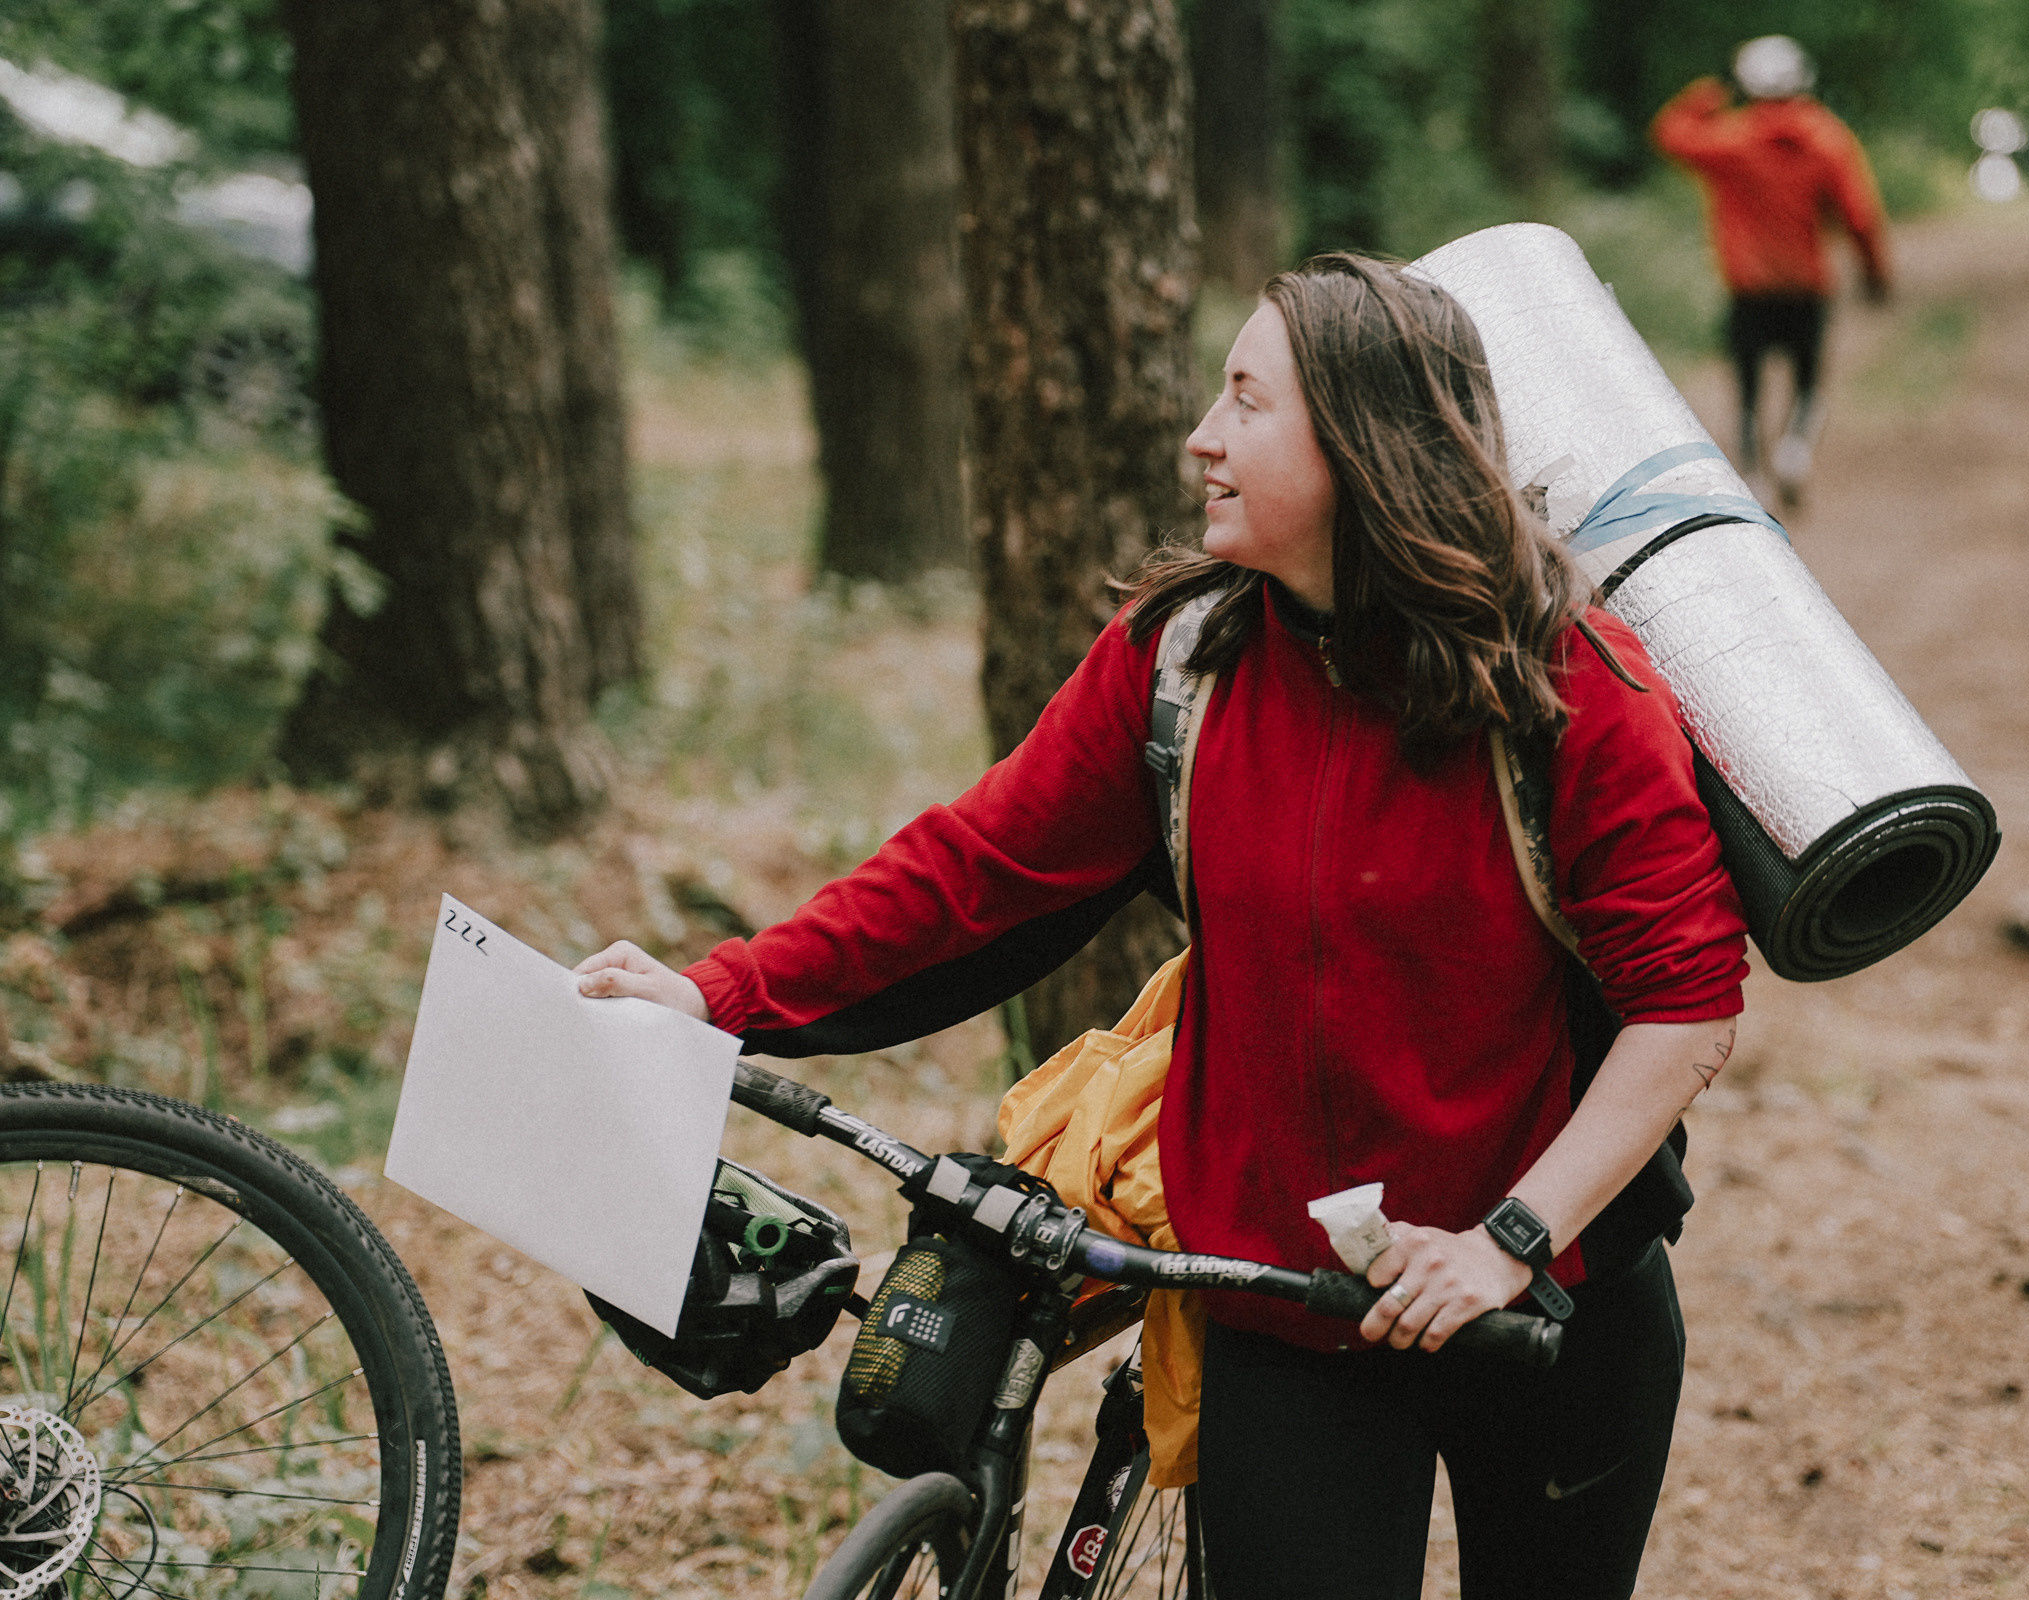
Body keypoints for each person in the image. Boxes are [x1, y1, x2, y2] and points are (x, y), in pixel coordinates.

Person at [575, 255, 1748, 1600]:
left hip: (1553, 1314)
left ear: (1366, 446)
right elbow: (971, 870)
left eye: (1247, 401)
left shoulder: (1567, 684)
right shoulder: (1183, 661)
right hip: (1282, 1310)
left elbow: (1687, 1005)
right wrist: (717, 993)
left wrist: (1508, 1244)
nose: (1203, 435)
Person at [1652, 34, 1891, 507]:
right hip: (1807, 286)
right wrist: (1875, 273)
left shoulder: (1730, 141)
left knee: (1747, 387)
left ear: (1749, 84)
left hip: (1749, 289)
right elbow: (1860, 218)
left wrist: (1711, 93)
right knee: (1808, 383)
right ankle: (1794, 452)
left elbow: (1670, 133)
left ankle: (1754, 475)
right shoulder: (1829, 140)